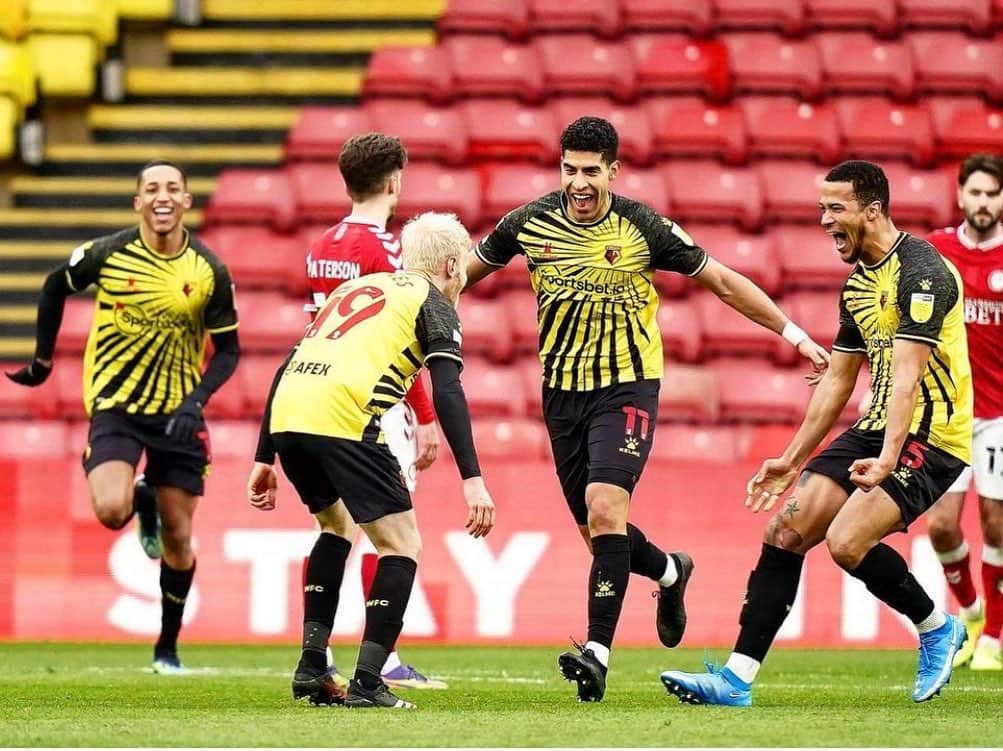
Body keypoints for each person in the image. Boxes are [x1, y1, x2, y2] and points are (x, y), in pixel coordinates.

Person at [463, 116, 829, 702]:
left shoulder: (642, 227)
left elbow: (724, 282)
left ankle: (597, 655)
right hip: (561, 396)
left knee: (604, 506)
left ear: (613, 170)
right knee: (597, 535)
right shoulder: (528, 224)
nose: (579, 183)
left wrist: (794, 335)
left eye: (590, 171)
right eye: (569, 169)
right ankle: (668, 571)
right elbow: (460, 277)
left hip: (627, 389)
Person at [660, 160, 972, 706]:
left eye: (836, 209)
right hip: (876, 427)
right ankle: (736, 680)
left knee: (847, 542)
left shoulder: (923, 272)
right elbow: (838, 382)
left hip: (931, 435)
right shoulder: (858, 284)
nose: (825, 220)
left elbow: (906, 378)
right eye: (821, 209)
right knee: (785, 532)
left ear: (872, 210)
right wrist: (790, 458)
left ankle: (935, 627)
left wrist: (889, 457)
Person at [246, 211, 495, 709]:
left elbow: (290, 360)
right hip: (344, 416)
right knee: (402, 545)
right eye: (463, 269)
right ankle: (367, 680)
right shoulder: (433, 301)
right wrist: (473, 478)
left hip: (291, 412)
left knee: (335, 528)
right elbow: (447, 389)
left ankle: (313, 665)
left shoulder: (356, 289)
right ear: (451, 264)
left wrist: (265, 455)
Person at [5, 160, 240, 674]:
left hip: (179, 413)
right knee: (111, 511)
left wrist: (195, 402)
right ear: (137, 202)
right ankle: (140, 497)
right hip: (117, 407)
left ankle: (167, 648)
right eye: (151, 188)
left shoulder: (208, 271)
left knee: (178, 538)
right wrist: (44, 362)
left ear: (186, 202)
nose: (162, 195)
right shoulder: (108, 254)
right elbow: (52, 286)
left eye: (172, 188)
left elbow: (228, 352)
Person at [300, 132, 446, 690]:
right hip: (376, 404)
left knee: (335, 527)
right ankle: (381, 661)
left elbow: (317, 331)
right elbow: (398, 334)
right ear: (394, 181)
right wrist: (425, 415)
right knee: (391, 533)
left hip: (318, 399)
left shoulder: (321, 245)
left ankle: (319, 655)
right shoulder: (388, 251)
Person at [923, 153, 1003, 671]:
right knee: (941, 527)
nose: (983, 202)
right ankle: (972, 615)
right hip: (949, 412)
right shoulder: (936, 251)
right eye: (974, 192)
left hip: (1000, 414)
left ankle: (995, 634)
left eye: (992, 194)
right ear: (959, 196)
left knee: (997, 527)